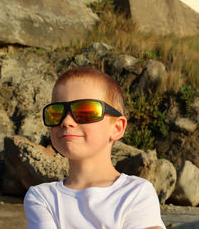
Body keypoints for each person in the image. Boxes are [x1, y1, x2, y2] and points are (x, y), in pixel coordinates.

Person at [24, 67, 166, 229]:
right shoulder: (42, 197)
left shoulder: (136, 192)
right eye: (56, 113)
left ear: (117, 128)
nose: (66, 121)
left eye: (85, 111)